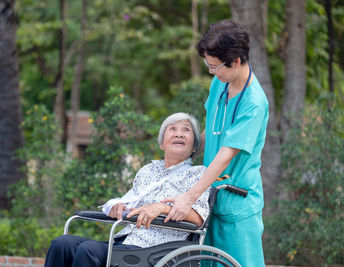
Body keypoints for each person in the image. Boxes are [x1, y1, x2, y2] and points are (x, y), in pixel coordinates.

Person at [162, 20, 269, 267]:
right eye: (207, 65)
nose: (211, 71)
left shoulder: (253, 103)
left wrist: (189, 197)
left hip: (237, 204)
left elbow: (226, 154)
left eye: (215, 66)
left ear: (236, 61)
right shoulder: (219, 83)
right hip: (209, 198)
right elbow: (213, 131)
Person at [44, 112, 211, 267]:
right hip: (126, 240)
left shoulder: (198, 174)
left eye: (186, 130)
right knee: (61, 244)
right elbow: (131, 201)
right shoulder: (148, 171)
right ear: (162, 143)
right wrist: (119, 206)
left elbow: (198, 218)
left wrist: (161, 208)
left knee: (88, 250)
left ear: (195, 146)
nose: (179, 134)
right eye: (172, 129)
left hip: (157, 249)